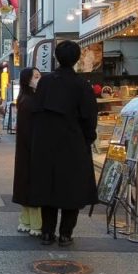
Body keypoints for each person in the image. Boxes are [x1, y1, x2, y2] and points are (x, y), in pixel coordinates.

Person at [28, 41, 98, 247]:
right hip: (73, 143)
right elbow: (89, 117)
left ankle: (47, 232)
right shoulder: (82, 85)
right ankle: (66, 233)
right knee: (71, 189)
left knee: (48, 187)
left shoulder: (46, 83)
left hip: (46, 144)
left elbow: (36, 112)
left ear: (56, 57)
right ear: (77, 59)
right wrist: (87, 139)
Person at [12, 67, 42, 237]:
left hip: (24, 147)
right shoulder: (33, 100)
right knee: (34, 184)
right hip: (33, 147)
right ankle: (36, 224)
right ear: (27, 80)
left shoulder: (23, 98)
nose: (39, 79)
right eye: (36, 77)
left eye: (39, 76)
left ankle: (26, 220)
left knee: (25, 183)